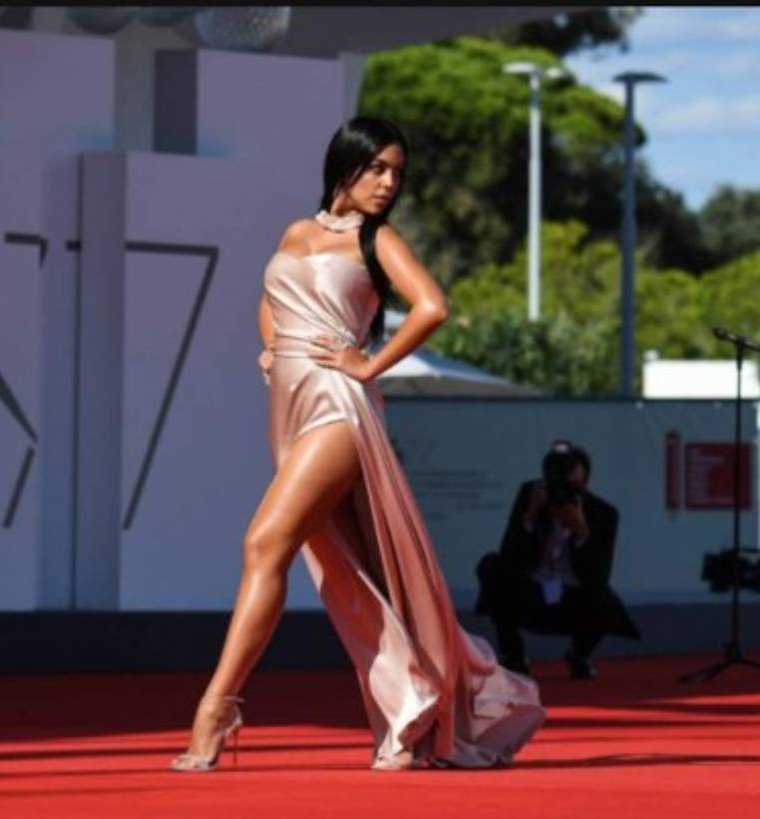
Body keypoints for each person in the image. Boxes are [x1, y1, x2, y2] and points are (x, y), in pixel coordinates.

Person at [170, 117, 546, 773]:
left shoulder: (379, 239)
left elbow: (432, 307)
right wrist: (272, 345)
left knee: (264, 544)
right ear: (345, 164)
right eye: (378, 167)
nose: (389, 181)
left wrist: (367, 364)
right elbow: (271, 296)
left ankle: (217, 707)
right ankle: (414, 705)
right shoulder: (296, 231)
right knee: (354, 570)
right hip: (288, 407)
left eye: (397, 172)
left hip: (339, 409)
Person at [474, 441, 642, 680]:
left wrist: (582, 531)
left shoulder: (602, 513)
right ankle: (514, 655)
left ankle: (579, 654)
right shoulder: (530, 496)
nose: (561, 491)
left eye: (570, 478)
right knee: (491, 566)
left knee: (605, 599)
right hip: (530, 593)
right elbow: (509, 556)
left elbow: (599, 577)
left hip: (572, 598)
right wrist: (530, 517)